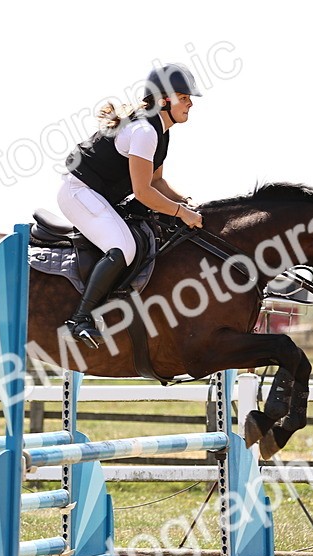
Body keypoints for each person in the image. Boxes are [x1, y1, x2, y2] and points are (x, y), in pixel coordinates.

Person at [58, 62, 205, 348]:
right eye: (184, 98)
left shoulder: (161, 131)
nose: (189, 104)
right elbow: (142, 193)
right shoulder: (145, 132)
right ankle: (80, 318)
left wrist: (187, 203)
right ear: (164, 99)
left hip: (97, 194)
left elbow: (158, 183)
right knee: (124, 247)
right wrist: (180, 212)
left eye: (189, 99)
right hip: (79, 192)